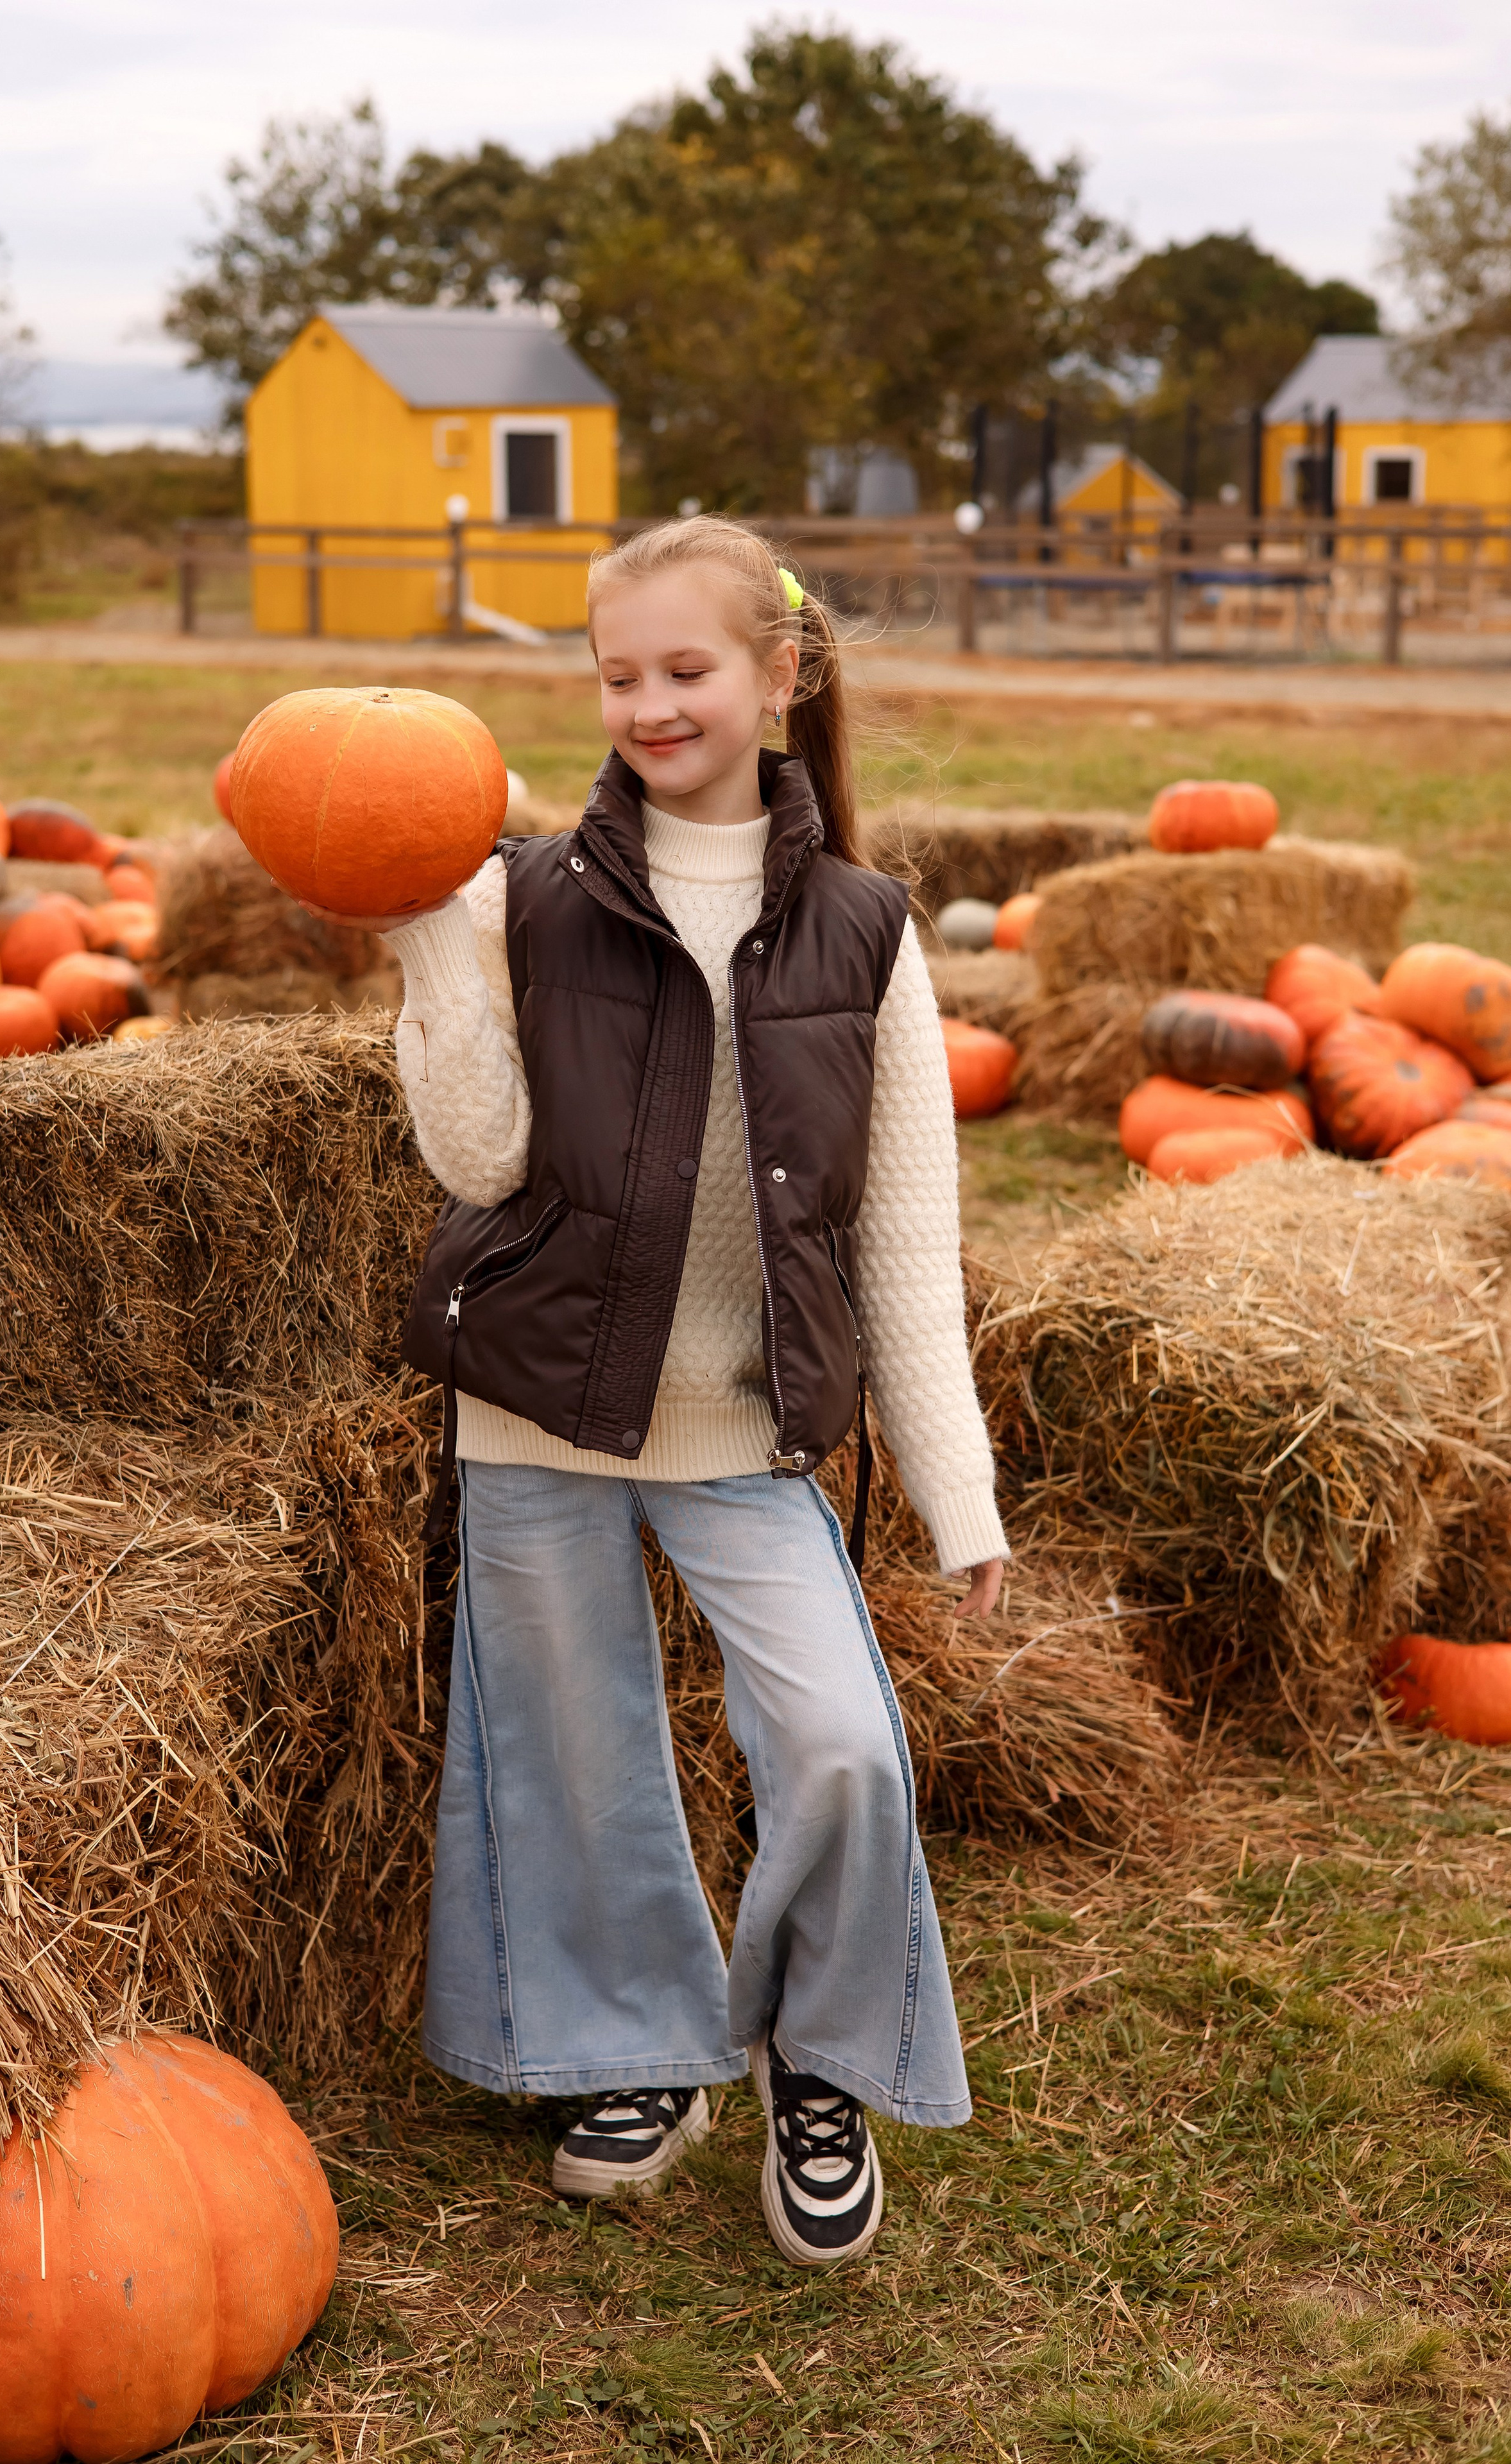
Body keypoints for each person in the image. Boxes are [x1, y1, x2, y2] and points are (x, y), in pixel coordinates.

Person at [375, 515, 1007, 2268]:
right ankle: (636, 2045)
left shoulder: (869, 934)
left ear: (777, 675)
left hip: (745, 1423)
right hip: (535, 1405)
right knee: (573, 1753)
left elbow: (906, 1246)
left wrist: (959, 1498)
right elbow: (480, 1156)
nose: (648, 703)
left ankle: (814, 2056)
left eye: (685, 669)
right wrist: (438, 948)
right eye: (617, 673)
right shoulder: (522, 894)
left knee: (838, 1744)